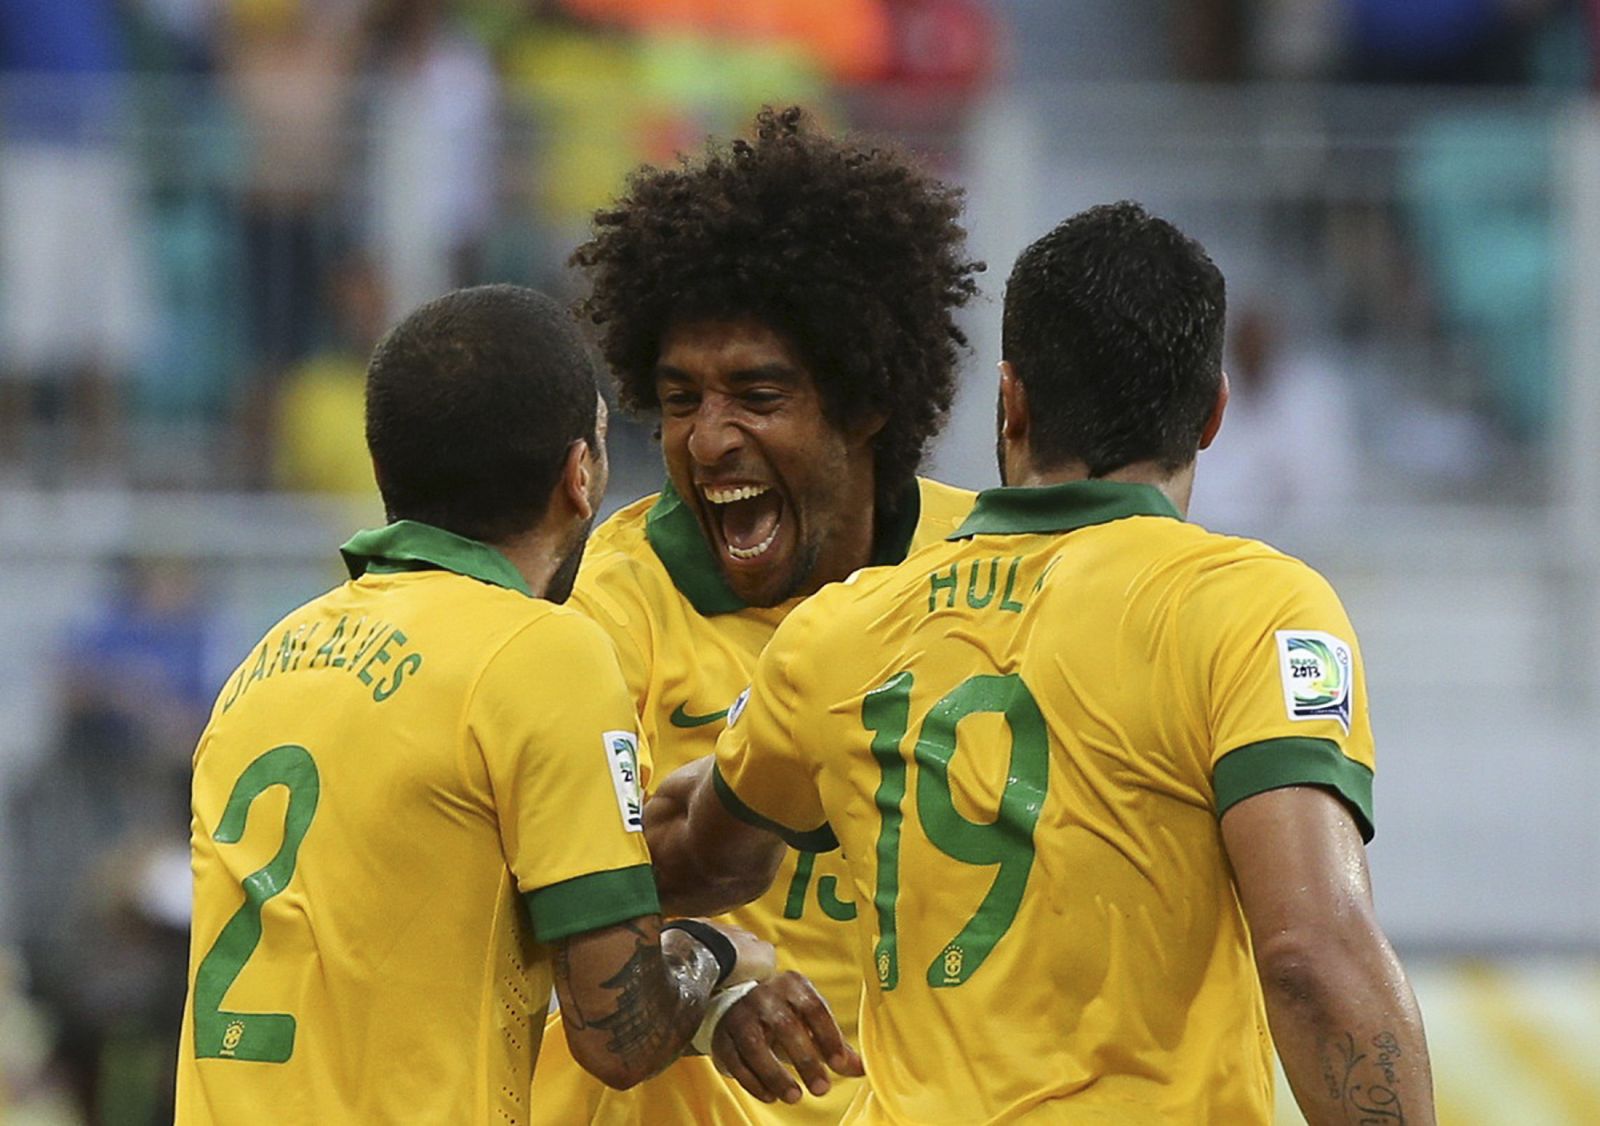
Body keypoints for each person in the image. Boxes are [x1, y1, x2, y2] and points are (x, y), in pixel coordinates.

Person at [645, 203, 1437, 1123]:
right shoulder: (1246, 608)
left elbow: (699, 855)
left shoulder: (839, 632)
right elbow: (1312, 955)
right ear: (1215, 413)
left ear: (1010, 397)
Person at [175, 285, 858, 1123]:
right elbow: (619, 1033)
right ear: (581, 475)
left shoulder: (265, 664)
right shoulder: (541, 654)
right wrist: (715, 950)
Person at [528, 105, 982, 1124]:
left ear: (864, 402)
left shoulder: (984, 573)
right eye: (681, 397)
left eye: (756, 393)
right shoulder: (619, 598)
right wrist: (712, 976)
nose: (707, 438)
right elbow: (563, 890)